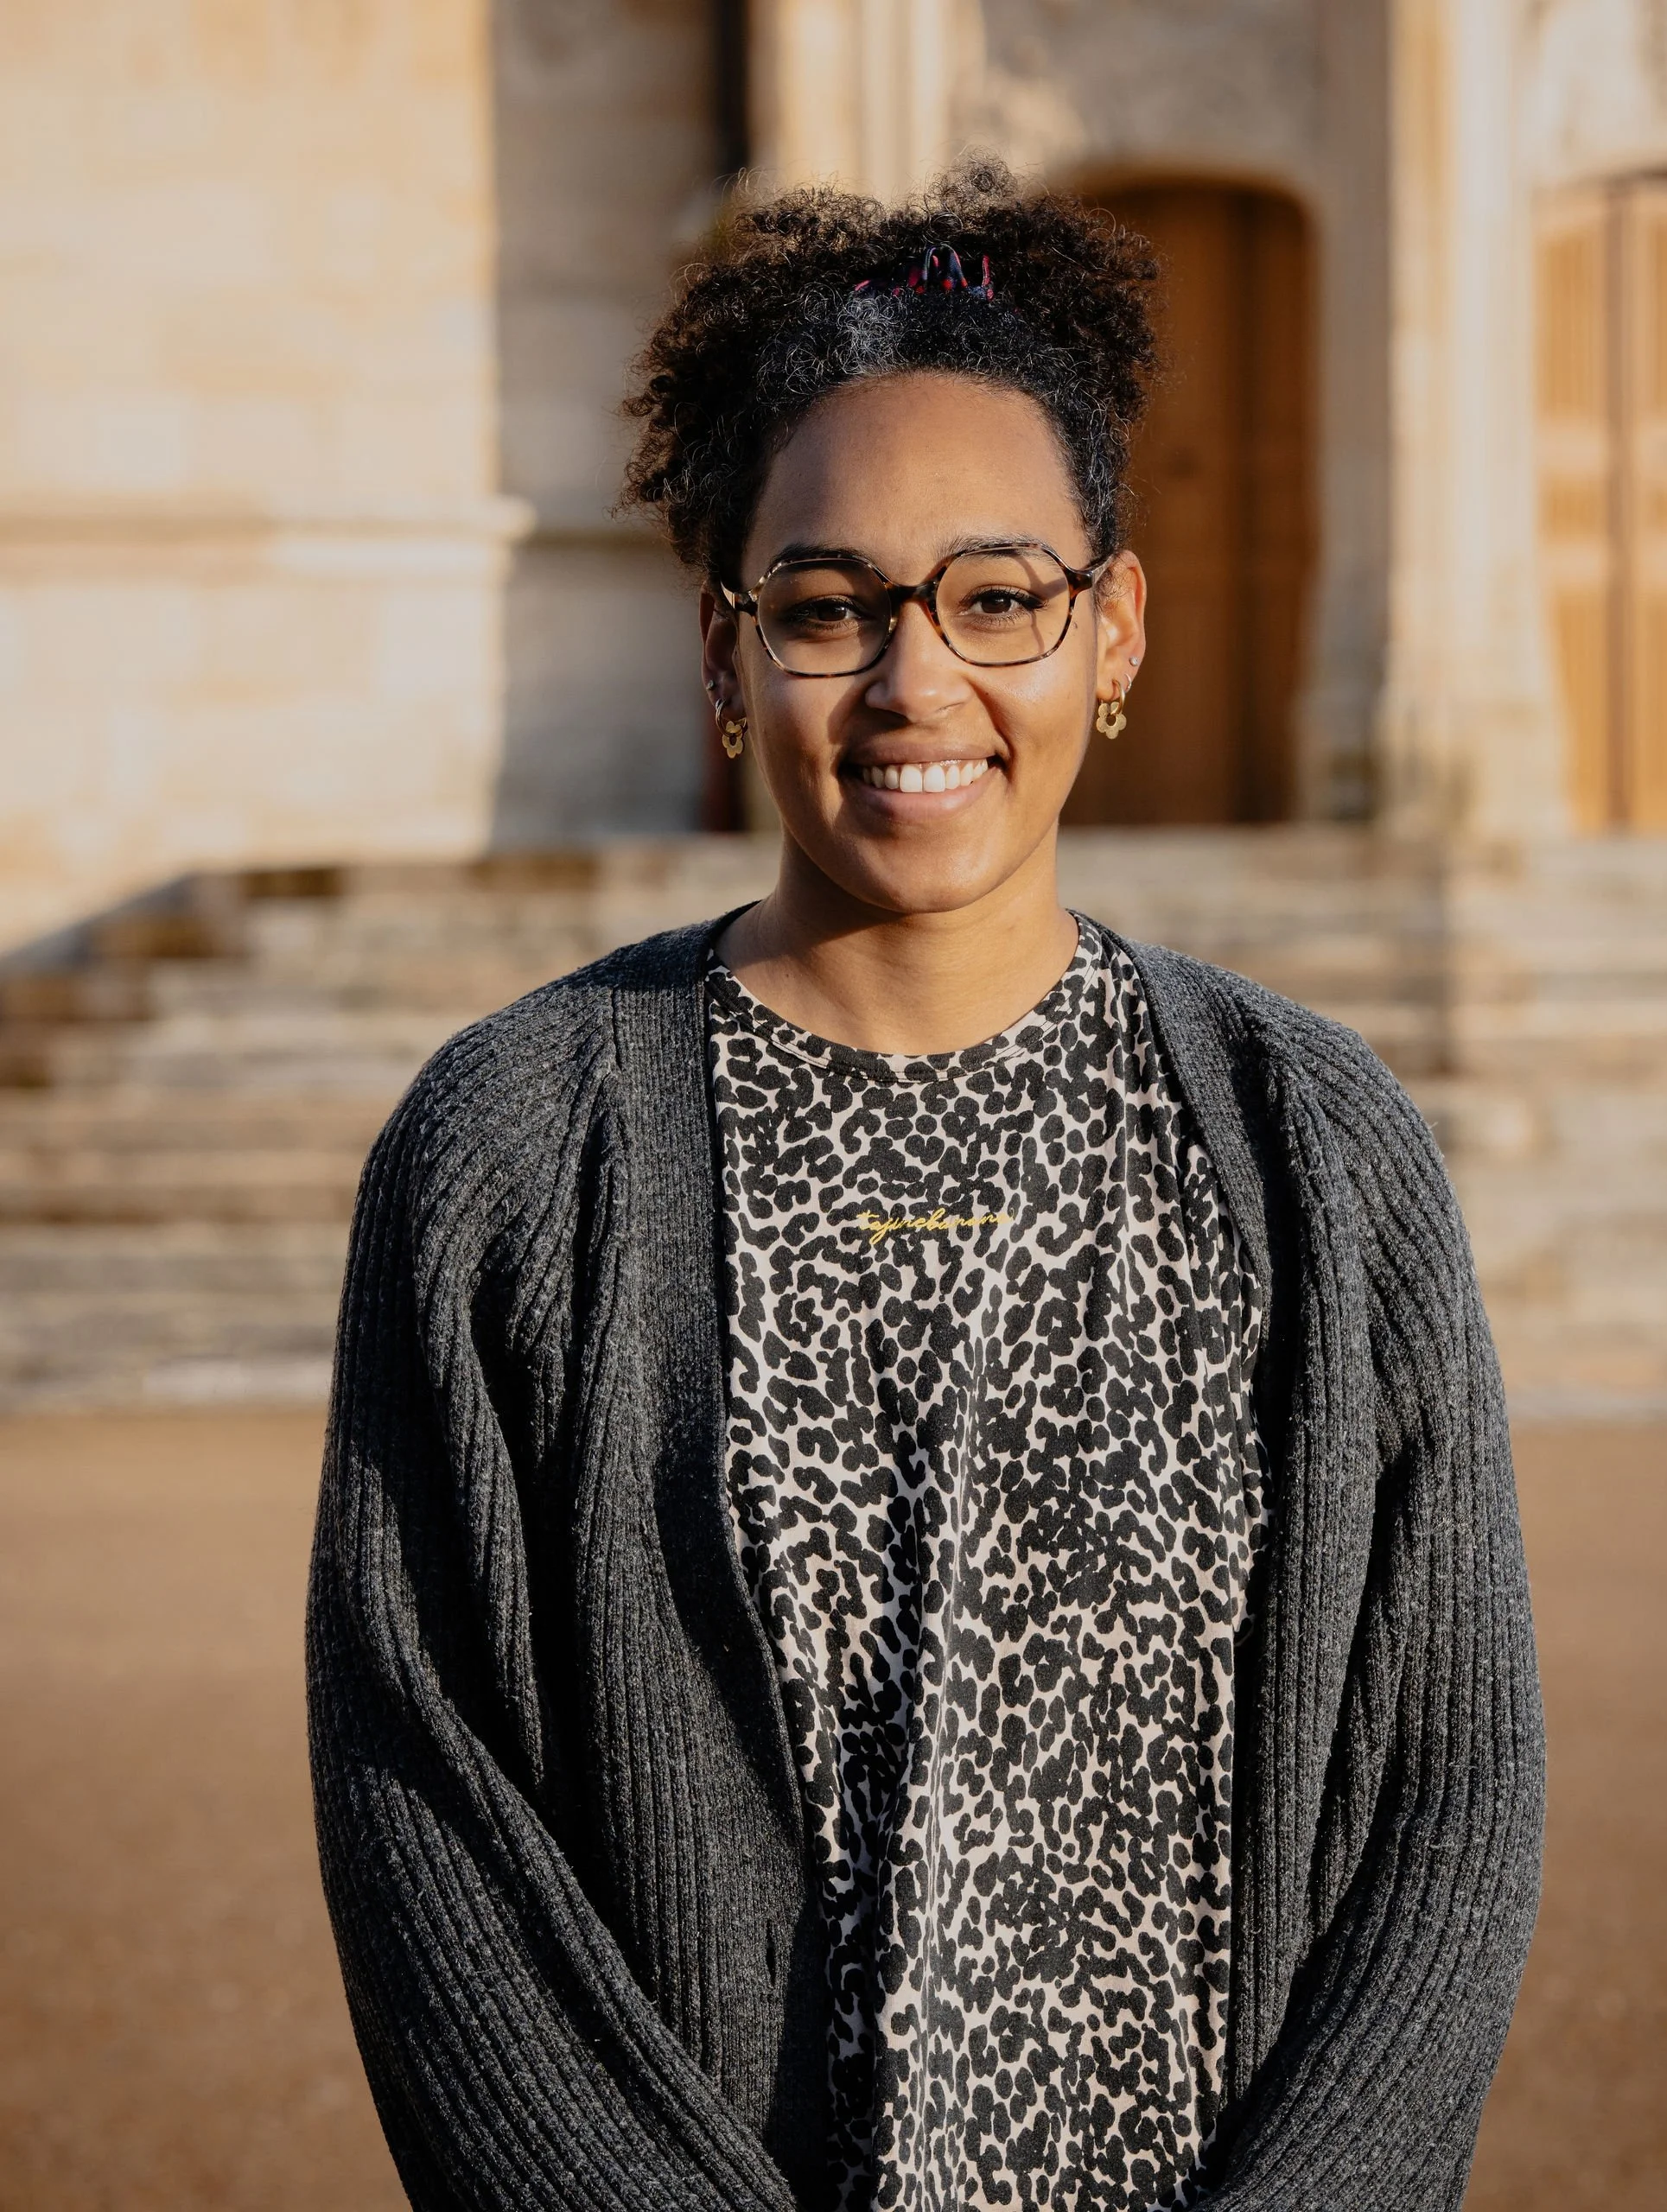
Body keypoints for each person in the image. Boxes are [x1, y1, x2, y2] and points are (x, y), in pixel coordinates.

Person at [308, 162, 1544, 2212]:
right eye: (827, 605)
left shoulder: (1318, 1147)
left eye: (998, 595)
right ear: (726, 653)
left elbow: (1449, 1795)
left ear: (1110, 626)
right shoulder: (512, 1152)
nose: (916, 683)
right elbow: (422, 1802)